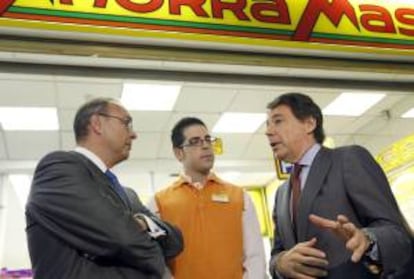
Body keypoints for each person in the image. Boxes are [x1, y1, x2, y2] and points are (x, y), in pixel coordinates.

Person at [26, 98, 183, 279]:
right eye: (126, 123)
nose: (134, 134)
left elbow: (176, 242)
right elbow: (122, 238)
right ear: (97, 124)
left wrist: (144, 222)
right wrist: (156, 258)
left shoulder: (128, 195)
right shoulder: (58, 168)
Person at [266, 92, 412, 279]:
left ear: (309, 124)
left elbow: (396, 234)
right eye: (268, 124)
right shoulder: (281, 194)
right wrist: (280, 263)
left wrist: (367, 240)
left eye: (278, 121)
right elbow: (276, 253)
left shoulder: (348, 159)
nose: (268, 131)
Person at [147, 117, 267, 279]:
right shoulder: (159, 203)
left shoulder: (240, 197)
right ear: (179, 153)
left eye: (208, 140)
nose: (205, 146)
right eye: (195, 141)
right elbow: (157, 261)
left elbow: (255, 256)